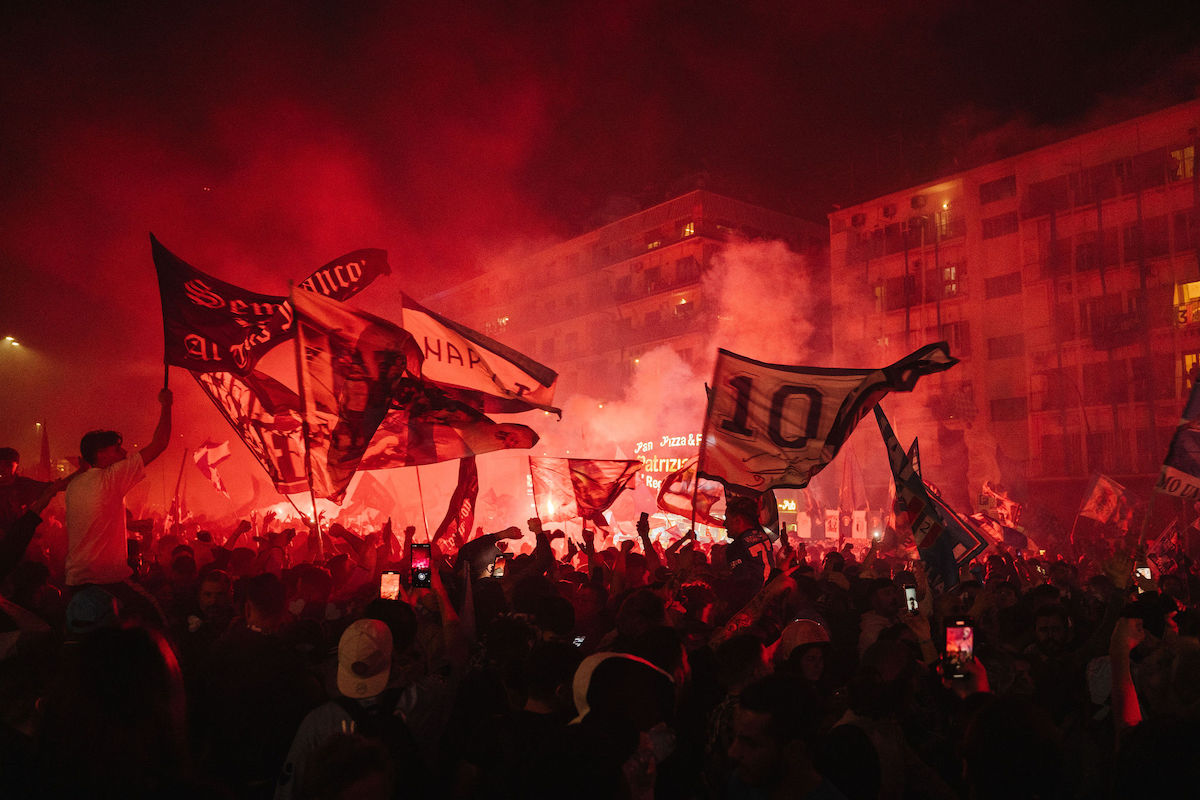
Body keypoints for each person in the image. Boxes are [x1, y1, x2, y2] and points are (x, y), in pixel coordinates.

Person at [64, 388, 173, 622]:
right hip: (108, 580)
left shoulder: (75, 485)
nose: (124, 453)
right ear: (101, 456)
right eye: (117, 449)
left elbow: (94, 524)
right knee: (155, 618)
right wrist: (166, 405)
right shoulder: (110, 477)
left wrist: (131, 525)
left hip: (76, 580)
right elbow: (160, 443)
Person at [0, 446, 51, 533]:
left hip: (17, 539)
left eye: (8, 465)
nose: (2, 468)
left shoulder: (24, 485)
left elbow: (55, 486)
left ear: (17, 467)